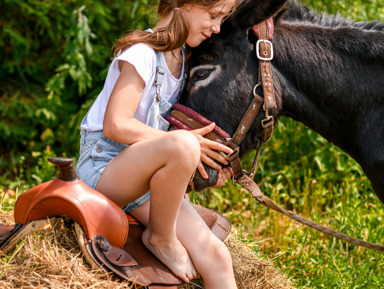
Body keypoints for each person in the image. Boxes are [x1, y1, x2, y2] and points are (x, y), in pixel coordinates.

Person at [76, 0, 238, 288]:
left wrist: (203, 169)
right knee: (185, 144)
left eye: (222, 19)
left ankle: (165, 234)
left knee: (217, 257)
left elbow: (163, 148)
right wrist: (185, 144)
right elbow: (116, 124)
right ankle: (160, 238)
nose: (216, 27)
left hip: (142, 177)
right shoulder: (142, 54)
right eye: (213, 15)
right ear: (184, 4)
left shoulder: (184, 60)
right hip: (105, 167)